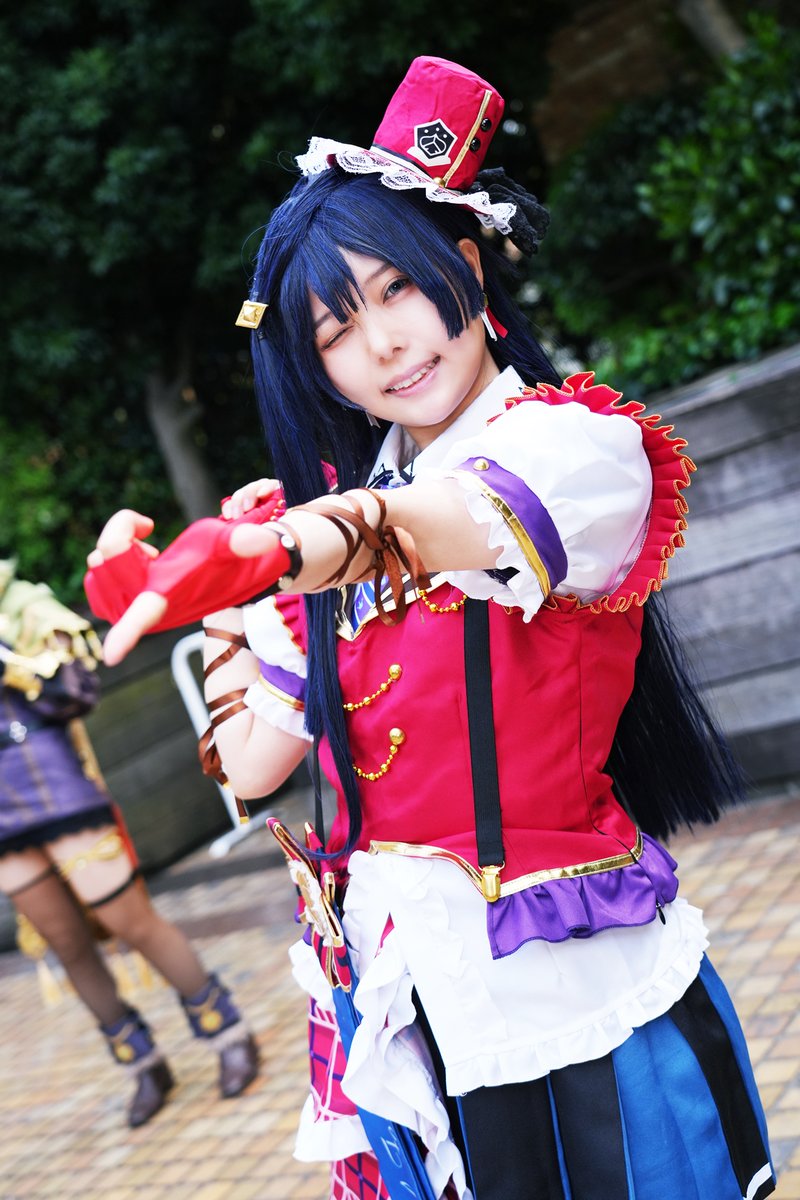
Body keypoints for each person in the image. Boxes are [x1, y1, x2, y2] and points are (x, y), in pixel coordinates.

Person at [86, 56, 775, 1200]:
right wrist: (227, 607)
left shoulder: (573, 449)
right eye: (335, 329)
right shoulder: (334, 519)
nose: (384, 344)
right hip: (405, 995)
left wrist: (280, 549)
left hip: (568, 995)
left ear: (465, 262)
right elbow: (254, 768)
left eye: (396, 289)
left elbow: (437, 522)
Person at [0, 559, 259, 1128]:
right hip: (3, 818)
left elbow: (77, 691)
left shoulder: (22, 606)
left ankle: (227, 1030)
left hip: (56, 789)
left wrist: (10, 662)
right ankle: (141, 1063)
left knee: (130, 922)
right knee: (64, 942)